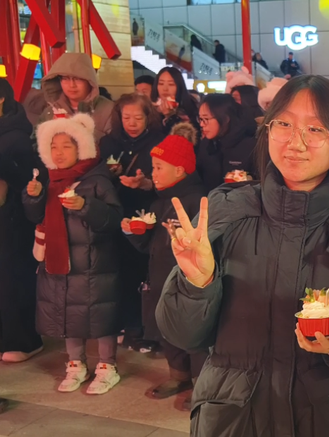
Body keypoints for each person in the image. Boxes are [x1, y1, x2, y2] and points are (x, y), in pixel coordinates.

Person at [156, 75, 329, 437]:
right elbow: (181, 335)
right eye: (283, 124)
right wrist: (198, 282)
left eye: (315, 129)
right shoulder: (226, 211)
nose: (295, 142)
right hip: (233, 420)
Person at [23, 114, 124, 395]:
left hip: (95, 264)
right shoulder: (51, 180)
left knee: (100, 315)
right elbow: (35, 217)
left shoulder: (98, 180)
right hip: (60, 262)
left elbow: (114, 219)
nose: (59, 153)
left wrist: (84, 205)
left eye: (66, 146)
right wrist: (33, 196)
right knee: (67, 313)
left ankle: (107, 365)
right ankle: (76, 363)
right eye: (53, 147)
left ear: (81, 148)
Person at [122, 123, 207, 411]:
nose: (153, 173)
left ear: (179, 170)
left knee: (192, 334)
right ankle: (178, 376)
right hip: (161, 280)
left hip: (188, 282)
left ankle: (202, 385)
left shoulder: (196, 201)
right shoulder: (161, 202)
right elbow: (149, 247)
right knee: (168, 331)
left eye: (159, 167)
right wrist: (134, 233)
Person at [99, 93, 167, 352]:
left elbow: (166, 180)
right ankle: (125, 324)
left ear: (148, 117)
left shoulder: (158, 142)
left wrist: (146, 183)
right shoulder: (109, 142)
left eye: (138, 118)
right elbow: (98, 175)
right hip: (116, 212)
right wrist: (110, 173)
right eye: (126, 117)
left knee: (143, 271)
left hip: (146, 214)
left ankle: (143, 329)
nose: (132, 123)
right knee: (119, 271)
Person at [0, 78, 43, 363]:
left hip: (13, 219)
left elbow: (29, 178)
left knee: (12, 279)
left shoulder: (16, 134)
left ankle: (23, 340)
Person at [39, 53, 114, 143]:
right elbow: (35, 145)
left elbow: (116, 146)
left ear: (89, 81)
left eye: (78, 79)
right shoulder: (49, 112)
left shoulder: (109, 110)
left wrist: (77, 128)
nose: (72, 85)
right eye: (65, 78)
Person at [195, 94, 258, 192]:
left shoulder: (251, 147)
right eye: (200, 119)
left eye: (206, 119)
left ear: (225, 119)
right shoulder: (207, 144)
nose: (202, 124)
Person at [151, 67, 200, 135]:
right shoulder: (150, 109)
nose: (165, 89)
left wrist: (170, 117)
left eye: (171, 84)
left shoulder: (189, 109)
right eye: (161, 84)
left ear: (179, 86)